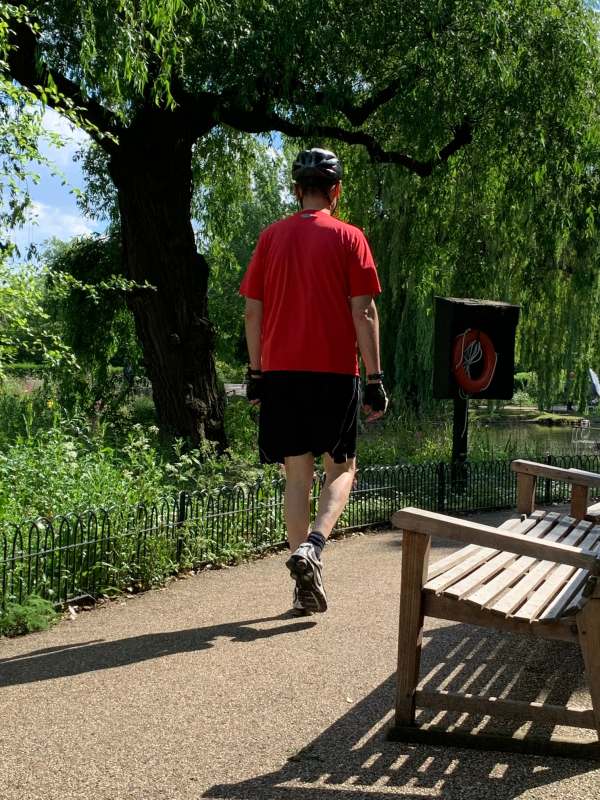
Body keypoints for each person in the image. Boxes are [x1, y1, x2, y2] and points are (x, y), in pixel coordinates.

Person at [239, 147, 388, 616]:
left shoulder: (270, 238)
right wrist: (376, 377)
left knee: (296, 478)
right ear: (336, 192)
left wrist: (256, 372)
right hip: (333, 373)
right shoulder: (350, 237)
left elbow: (251, 310)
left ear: (296, 190)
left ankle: (303, 586)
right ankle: (315, 547)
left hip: (280, 373)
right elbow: (363, 310)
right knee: (342, 470)